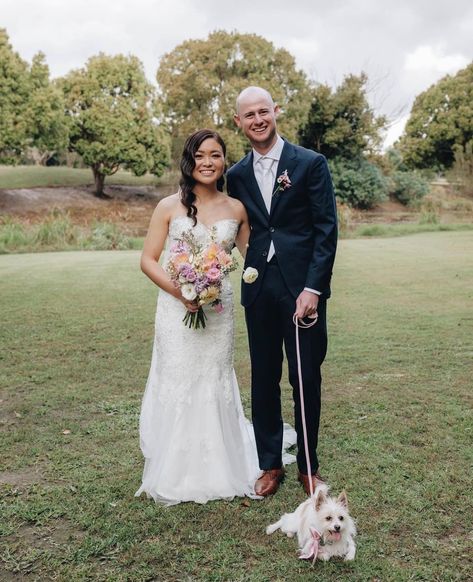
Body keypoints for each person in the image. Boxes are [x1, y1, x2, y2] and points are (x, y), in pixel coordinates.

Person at [135, 129, 295, 505]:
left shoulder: (236, 209)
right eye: (200, 155)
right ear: (189, 161)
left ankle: (221, 461)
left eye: (216, 155)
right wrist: (181, 292)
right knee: (179, 375)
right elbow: (147, 259)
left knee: (214, 377)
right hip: (176, 309)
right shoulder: (167, 206)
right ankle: (177, 465)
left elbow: (254, 258)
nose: (208, 162)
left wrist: (286, 283)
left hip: (219, 309)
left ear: (225, 161)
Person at [227, 87, 338, 497]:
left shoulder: (309, 164)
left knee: (306, 377)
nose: (257, 120)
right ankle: (270, 465)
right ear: (238, 122)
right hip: (259, 289)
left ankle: (309, 469)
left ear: (275, 112)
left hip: (301, 289)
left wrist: (313, 289)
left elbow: (326, 230)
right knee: (263, 378)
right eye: (248, 115)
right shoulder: (235, 175)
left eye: (263, 111)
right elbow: (238, 225)